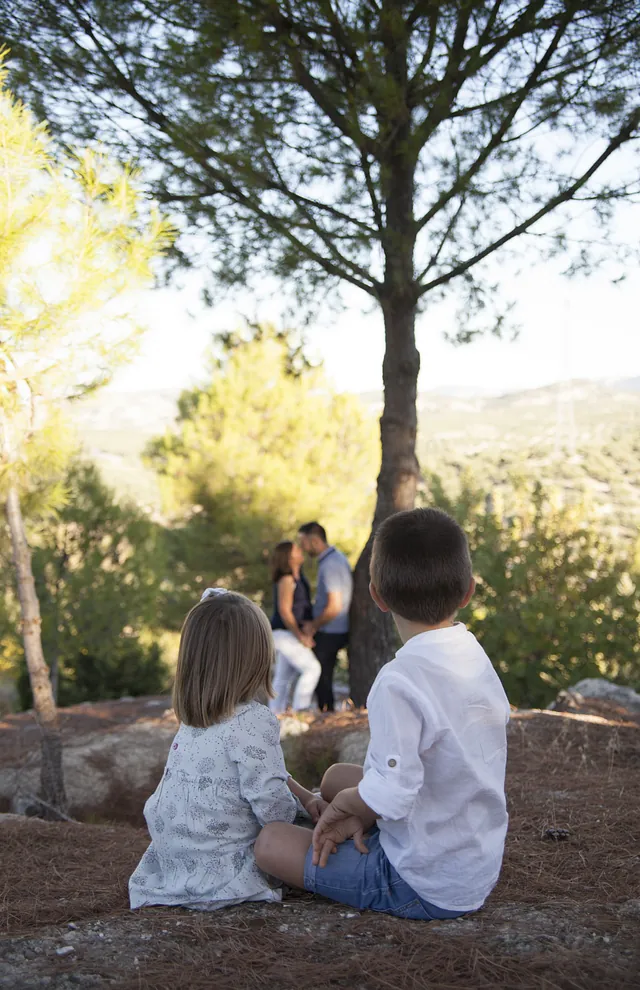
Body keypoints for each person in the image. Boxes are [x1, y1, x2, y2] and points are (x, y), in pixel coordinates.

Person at [254, 508, 511, 921]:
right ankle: (345, 818)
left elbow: (394, 793)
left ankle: (354, 847)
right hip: (472, 858)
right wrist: (355, 800)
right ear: (468, 592)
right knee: (336, 776)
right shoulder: (472, 655)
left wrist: (344, 810)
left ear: (376, 596)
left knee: (270, 842)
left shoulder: (399, 681)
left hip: (420, 882)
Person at [129, 588, 327, 912]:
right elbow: (275, 812)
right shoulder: (252, 721)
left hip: (177, 867)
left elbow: (266, 776)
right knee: (302, 835)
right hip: (225, 876)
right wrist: (304, 815)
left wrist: (307, 797)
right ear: (256, 660)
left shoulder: (194, 721)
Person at [297, 522, 353, 712]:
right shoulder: (334, 559)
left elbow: (335, 606)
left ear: (314, 541)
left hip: (331, 630)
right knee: (322, 676)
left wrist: (313, 625)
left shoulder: (331, 564)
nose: (302, 548)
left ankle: (326, 717)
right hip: (332, 628)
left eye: (303, 542)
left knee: (321, 677)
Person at [269, 540, 321, 714]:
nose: (301, 550)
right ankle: (301, 710)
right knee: (312, 668)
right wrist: (301, 636)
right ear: (288, 557)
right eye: (296, 550)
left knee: (283, 677)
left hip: (288, 633)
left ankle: (275, 714)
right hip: (284, 634)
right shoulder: (287, 579)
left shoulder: (299, 578)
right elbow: (285, 611)